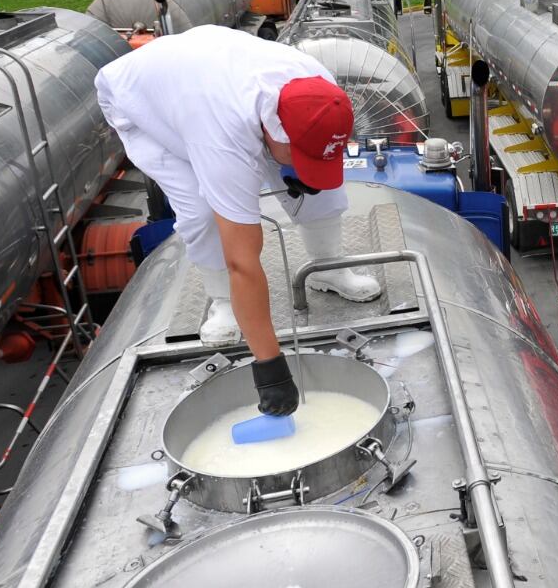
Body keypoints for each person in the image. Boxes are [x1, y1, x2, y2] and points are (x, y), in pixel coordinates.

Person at [96, 25, 382, 416]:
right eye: (296, 153)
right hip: (145, 102)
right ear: (272, 131)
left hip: (211, 71)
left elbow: (309, 151)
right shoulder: (220, 134)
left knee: (322, 189)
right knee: (201, 210)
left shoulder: (322, 92)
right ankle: (223, 303)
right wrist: (271, 368)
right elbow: (242, 260)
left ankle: (326, 269)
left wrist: (302, 168)